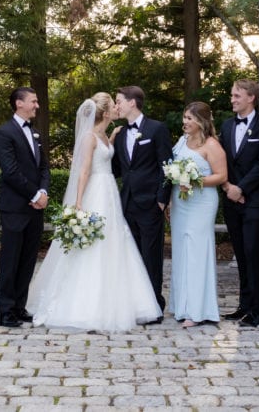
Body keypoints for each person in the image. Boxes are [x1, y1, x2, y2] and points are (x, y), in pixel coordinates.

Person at [27, 93, 162, 331]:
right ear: (106, 112)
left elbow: (108, 157)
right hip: (96, 192)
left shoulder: (107, 136)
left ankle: (122, 301)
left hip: (110, 192)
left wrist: (111, 137)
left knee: (114, 242)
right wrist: (78, 202)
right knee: (94, 245)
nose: (116, 108)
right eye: (113, 105)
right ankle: (85, 305)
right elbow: (84, 170)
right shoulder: (89, 137)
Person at [219, 80, 259, 329]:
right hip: (230, 197)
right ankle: (243, 305)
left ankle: (255, 311)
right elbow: (222, 161)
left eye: (237, 95)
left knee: (254, 251)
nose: (232, 99)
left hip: (254, 198)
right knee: (241, 253)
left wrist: (241, 188)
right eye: (232, 95)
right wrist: (228, 188)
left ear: (251, 97)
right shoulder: (227, 125)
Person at [112, 86, 172, 318]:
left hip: (150, 203)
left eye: (119, 101)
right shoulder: (120, 134)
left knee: (151, 255)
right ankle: (135, 305)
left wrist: (161, 200)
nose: (117, 106)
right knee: (132, 256)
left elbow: (166, 166)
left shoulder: (156, 129)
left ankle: (154, 306)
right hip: (127, 203)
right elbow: (116, 168)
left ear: (132, 103)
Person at [0, 87, 51, 327]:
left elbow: (44, 168)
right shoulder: (4, 133)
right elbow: (10, 171)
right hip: (15, 207)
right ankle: (5, 310)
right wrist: (34, 193)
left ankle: (19, 306)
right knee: (11, 259)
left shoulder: (35, 133)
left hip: (35, 207)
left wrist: (44, 191)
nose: (37, 105)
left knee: (29, 260)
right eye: (33, 101)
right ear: (19, 103)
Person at [169, 101, 226, 327]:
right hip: (181, 202)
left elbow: (221, 176)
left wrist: (194, 180)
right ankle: (181, 306)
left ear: (201, 122)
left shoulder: (212, 145)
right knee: (181, 251)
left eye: (190, 118)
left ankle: (198, 310)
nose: (185, 122)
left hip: (201, 203)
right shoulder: (182, 141)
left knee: (197, 251)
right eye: (184, 117)